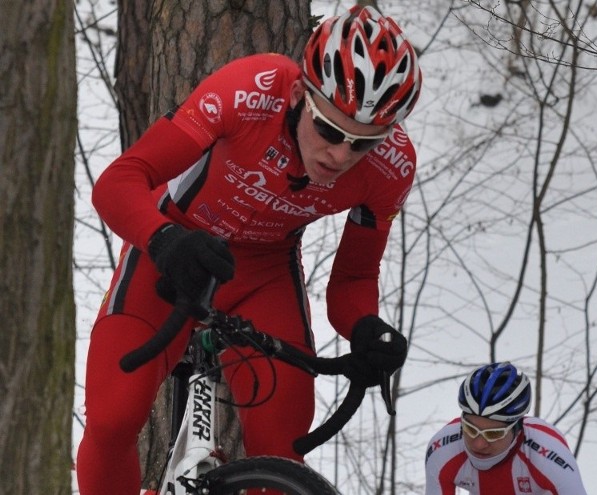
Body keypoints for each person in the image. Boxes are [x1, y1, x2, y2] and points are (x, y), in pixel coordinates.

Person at [76, 5, 422, 494]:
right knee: (113, 419)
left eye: (362, 144)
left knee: (284, 453)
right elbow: (120, 181)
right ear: (302, 94)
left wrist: (365, 328)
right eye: (329, 130)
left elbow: (354, 279)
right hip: (175, 249)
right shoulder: (250, 91)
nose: (340, 156)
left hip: (260, 275)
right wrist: (164, 239)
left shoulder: (391, 168)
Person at [424, 362, 589, 494]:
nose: (479, 443)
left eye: (494, 433)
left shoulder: (547, 453)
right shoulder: (443, 449)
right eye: (470, 429)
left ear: (517, 430)